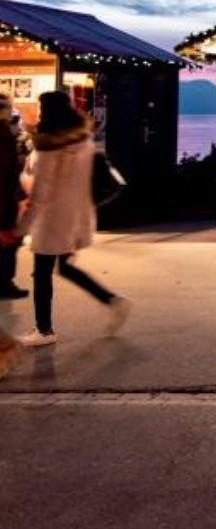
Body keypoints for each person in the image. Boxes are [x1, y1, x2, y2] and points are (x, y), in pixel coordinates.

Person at [17, 91, 130, 348]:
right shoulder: (83, 140)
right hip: (77, 215)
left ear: (49, 113)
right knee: (64, 267)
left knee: (42, 273)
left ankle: (44, 330)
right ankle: (112, 300)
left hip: (52, 219)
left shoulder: (49, 150)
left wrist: (21, 228)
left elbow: (41, 193)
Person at [0, 92, 29, 299]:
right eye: (9, 107)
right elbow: (5, 168)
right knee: (8, 241)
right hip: (3, 197)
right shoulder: (3, 132)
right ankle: (4, 283)